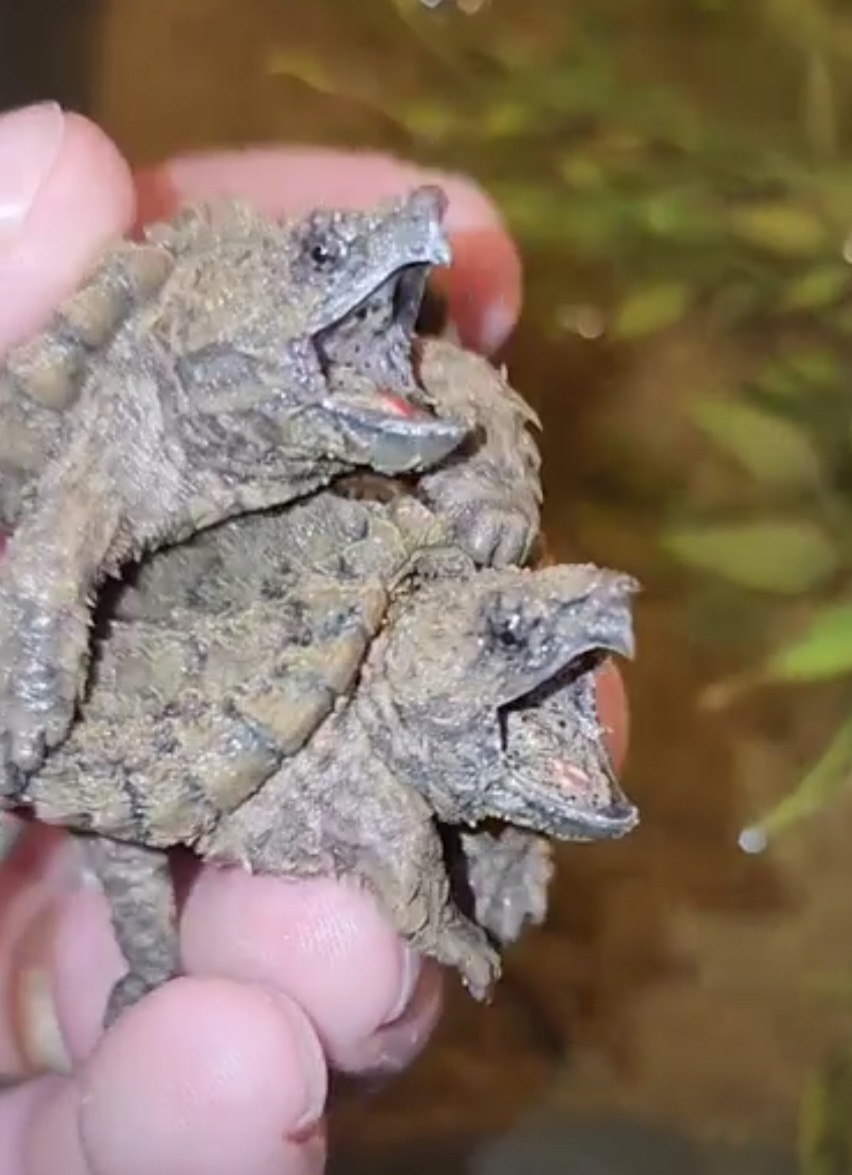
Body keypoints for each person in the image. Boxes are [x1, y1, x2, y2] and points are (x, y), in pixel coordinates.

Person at [0, 102, 630, 1175]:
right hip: (173, 590)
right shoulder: (121, 420)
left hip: (284, 608)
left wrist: (486, 501)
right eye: (333, 251)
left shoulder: (368, 449)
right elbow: (45, 575)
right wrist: (22, 751)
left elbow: (455, 387)